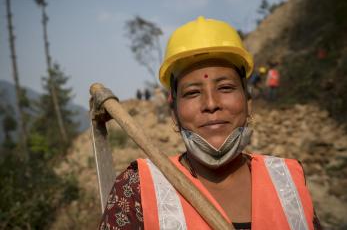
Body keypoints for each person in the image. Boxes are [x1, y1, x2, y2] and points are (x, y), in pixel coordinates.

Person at [99, 16, 321, 230]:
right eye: (193, 93)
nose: (211, 104)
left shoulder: (288, 179)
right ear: (174, 114)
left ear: (248, 102)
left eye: (225, 88)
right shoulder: (138, 188)